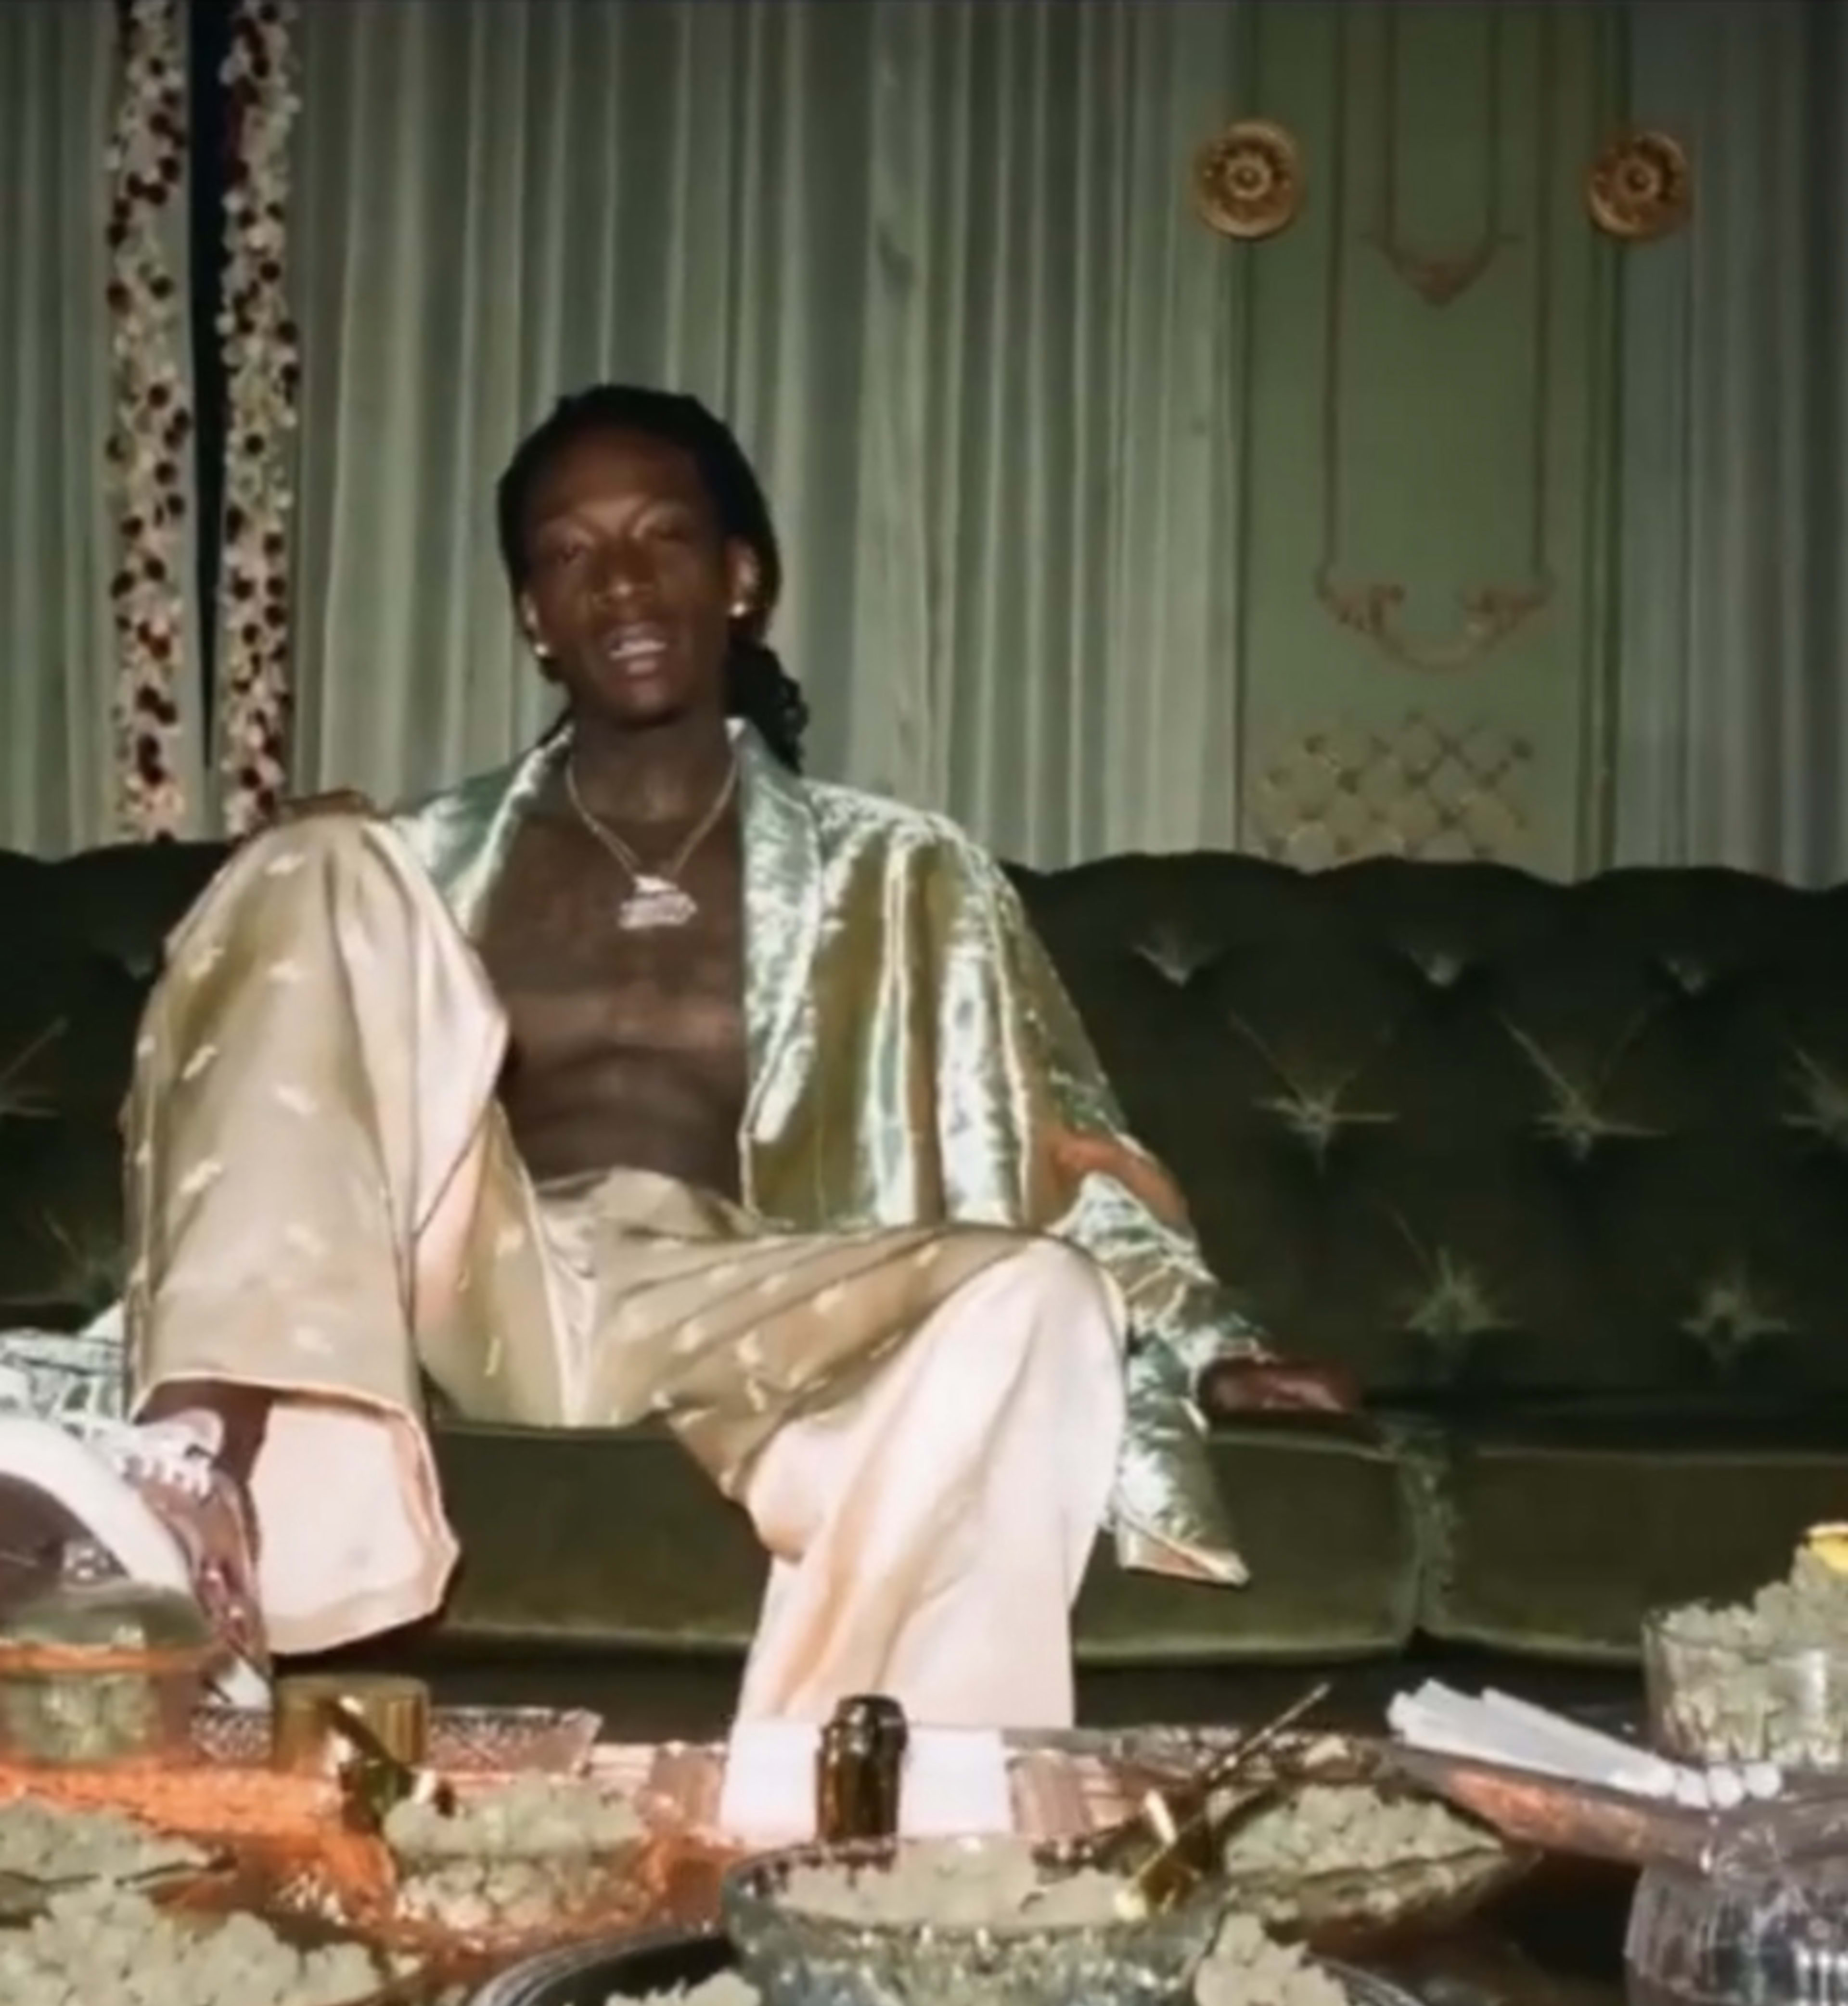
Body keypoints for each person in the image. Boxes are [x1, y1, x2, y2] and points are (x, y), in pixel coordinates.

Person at [0, 387, 1348, 1728]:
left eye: (664, 537)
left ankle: (861, 1819)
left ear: (741, 577)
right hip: (479, 1279)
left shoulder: (902, 869)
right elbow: (285, 1090)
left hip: (741, 1287)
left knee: (1043, 1296)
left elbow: (1058, 1137)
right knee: (311, 850)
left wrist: (1206, 1339)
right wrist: (332, 871)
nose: (623, 581)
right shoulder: (408, 861)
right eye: (571, 552)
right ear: (533, 614)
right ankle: (186, 1486)